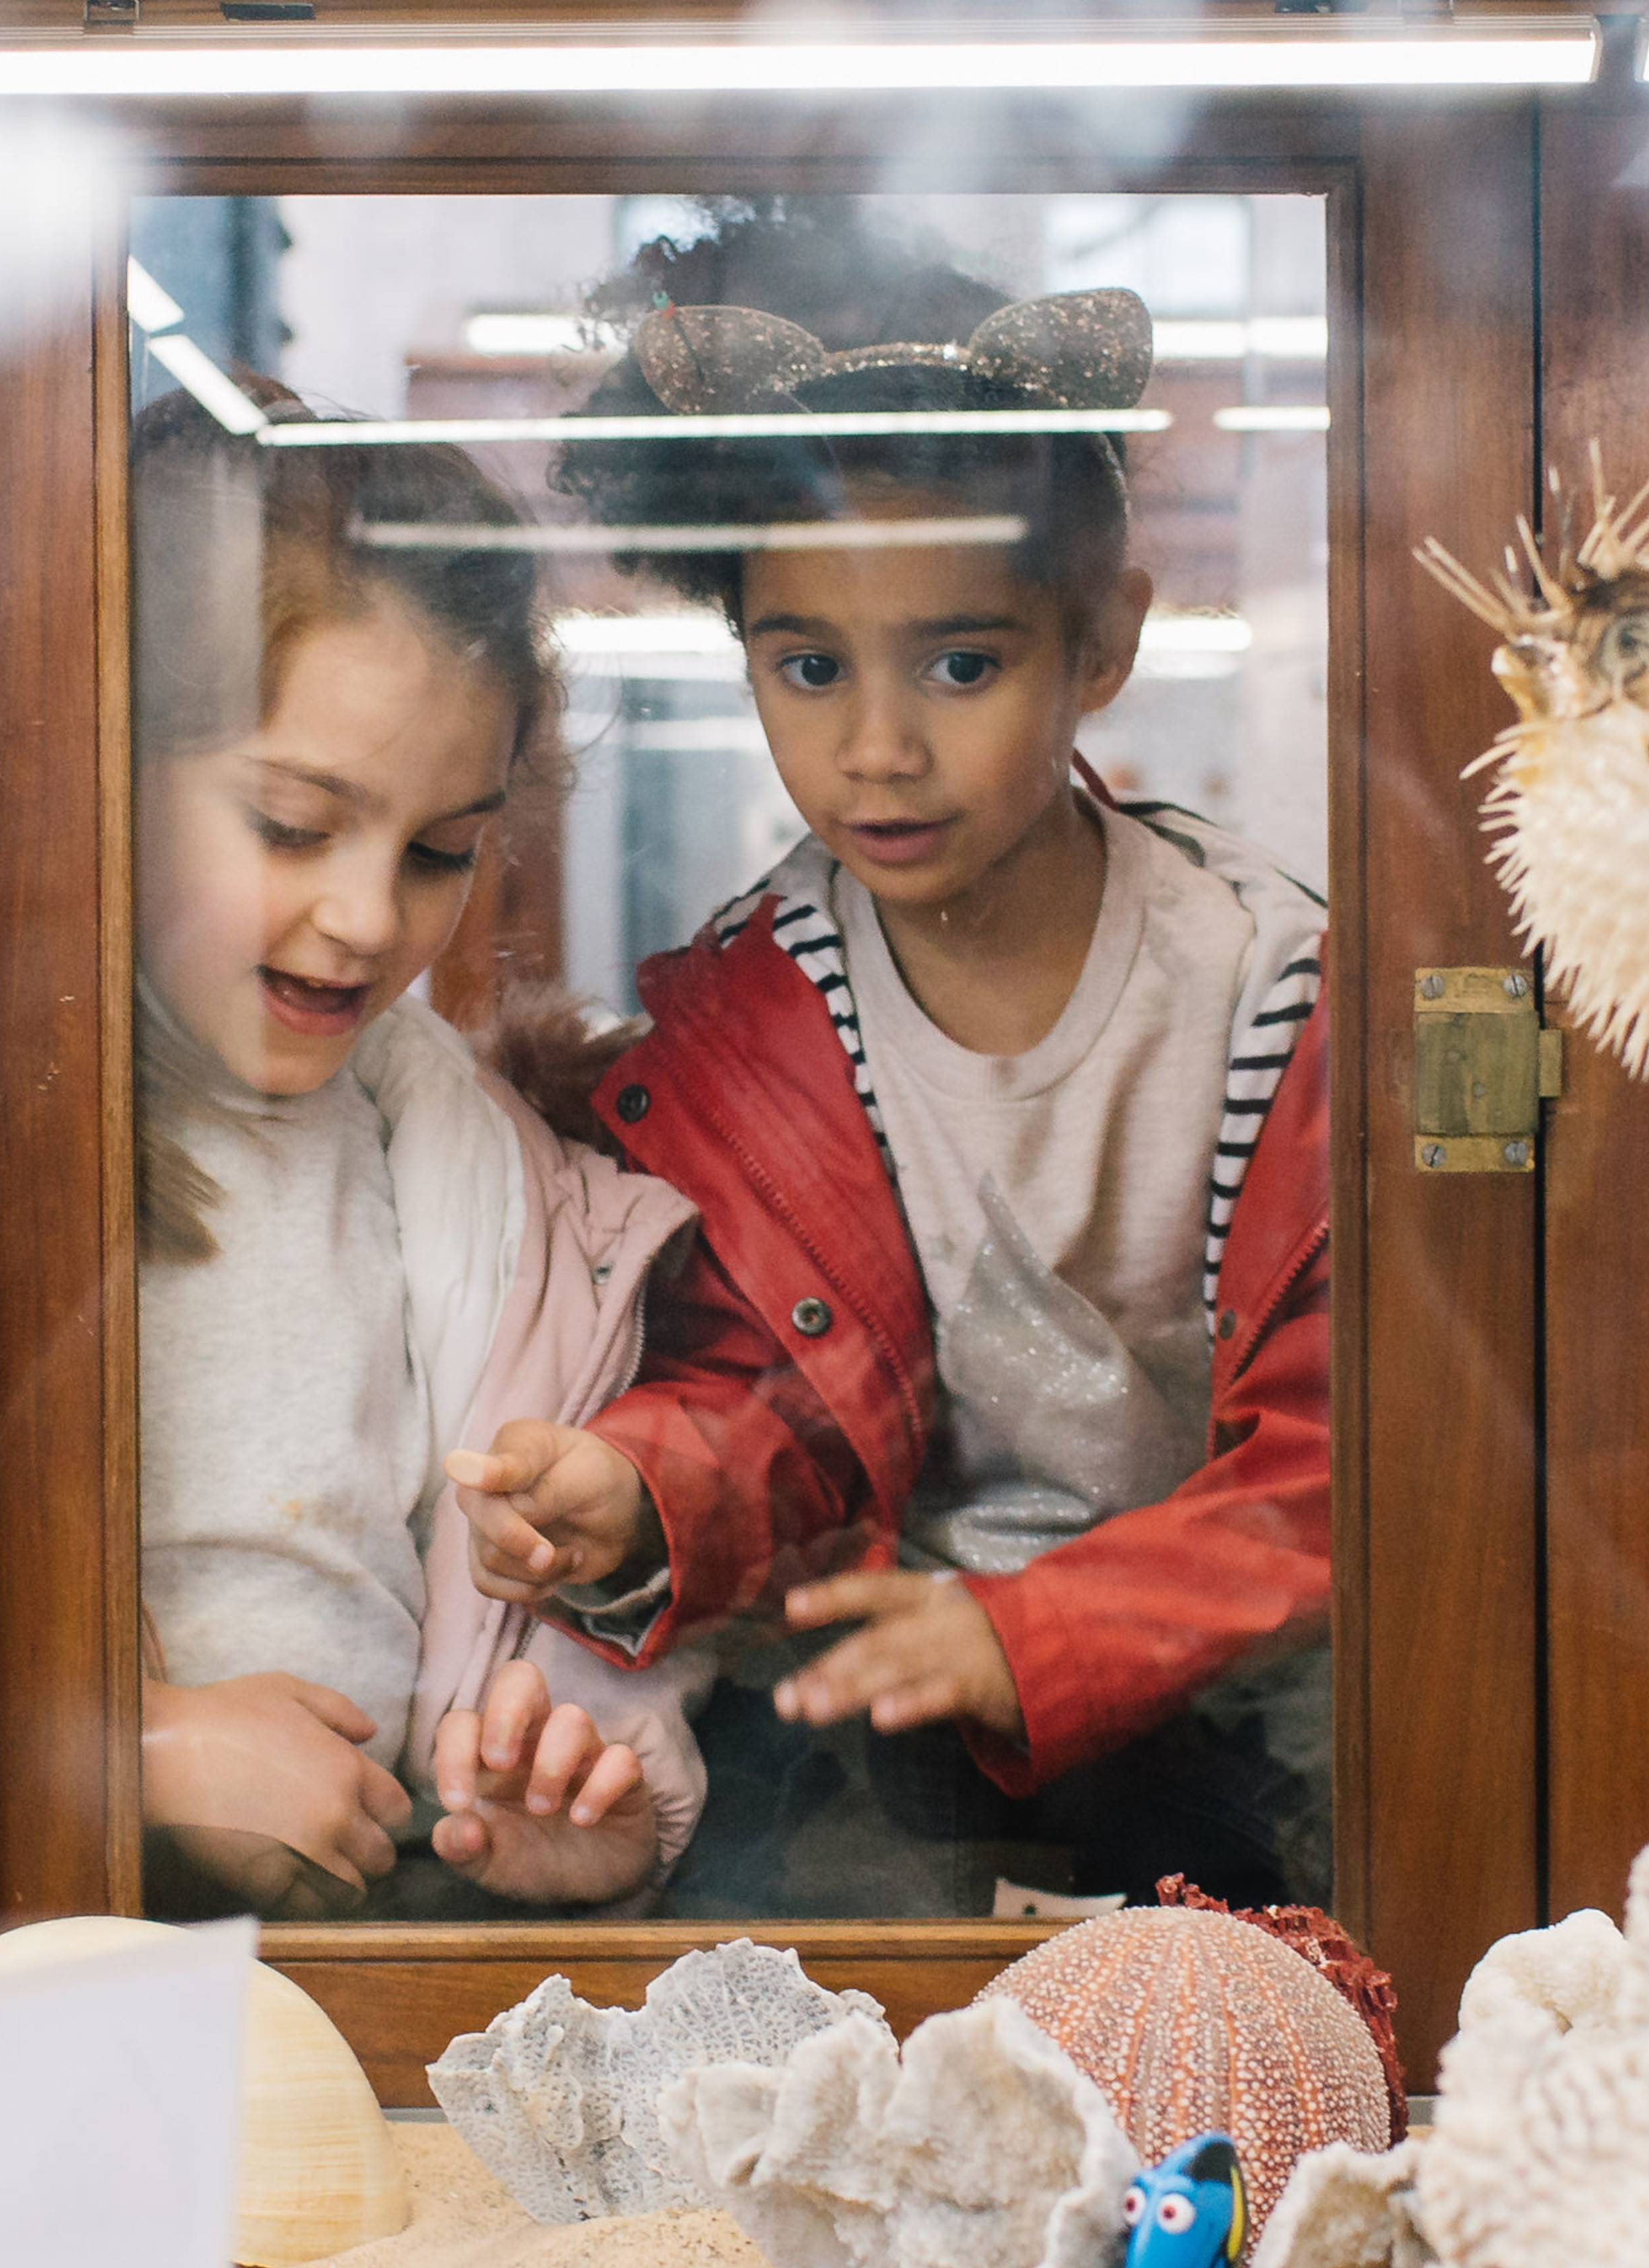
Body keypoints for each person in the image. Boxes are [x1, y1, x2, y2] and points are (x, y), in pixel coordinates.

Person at [448, 206, 1335, 1914]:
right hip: (880, 1721)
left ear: (1106, 641)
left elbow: (1337, 1451)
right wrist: (637, 1491)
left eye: (963, 661)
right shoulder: (750, 1021)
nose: (876, 746)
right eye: (806, 664)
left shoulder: (1272, 987)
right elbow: (761, 1391)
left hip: (1243, 1723)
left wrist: (1029, 1632)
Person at [124, 379, 702, 1921]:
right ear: (95, 764)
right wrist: (130, 1754)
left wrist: (580, 1802)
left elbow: (524, 1646)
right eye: (293, 824)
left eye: (443, 849)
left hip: (368, 1959)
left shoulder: (487, 1184)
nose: (373, 919)